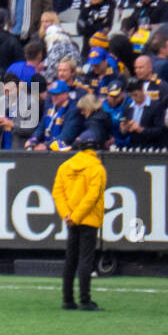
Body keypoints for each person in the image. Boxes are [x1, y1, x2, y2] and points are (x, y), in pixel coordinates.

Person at [52, 130, 108, 311]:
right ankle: (85, 299)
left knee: (71, 259)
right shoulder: (97, 168)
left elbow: (57, 192)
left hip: (70, 219)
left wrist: (67, 215)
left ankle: (67, 299)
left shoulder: (65, 166)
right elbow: (93, 196)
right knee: (85, 259)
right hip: (88, 219)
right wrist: (77, 216)